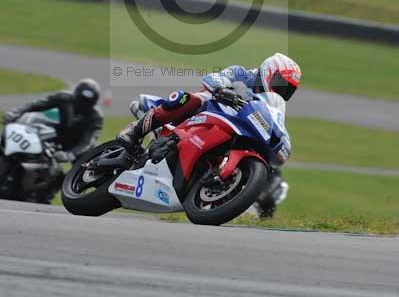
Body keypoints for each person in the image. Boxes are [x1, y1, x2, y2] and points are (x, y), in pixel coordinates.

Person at [118, 53, 301, 217]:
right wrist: (221, 89)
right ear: (269, 72)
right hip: (207, 113)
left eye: (288, 90)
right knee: (188, 98)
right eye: (281, 84)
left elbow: (276, 128)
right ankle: (135, 131)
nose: (282, 90)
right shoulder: (242, 74)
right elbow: (213, 78)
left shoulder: (273, 106)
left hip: (233, 130)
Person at [3, 78, 104, 162]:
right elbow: (36, 105)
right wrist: (15, 113)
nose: (82, 105)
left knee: (83, 166)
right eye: (80, 100)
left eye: (86, 103)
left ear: (93, 103)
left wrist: (70, 154)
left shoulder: (96, 117)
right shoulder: (63, 98)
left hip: (77, 146)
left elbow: (88, 141)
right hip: (57, 135)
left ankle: (66, 184)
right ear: (75, 95)